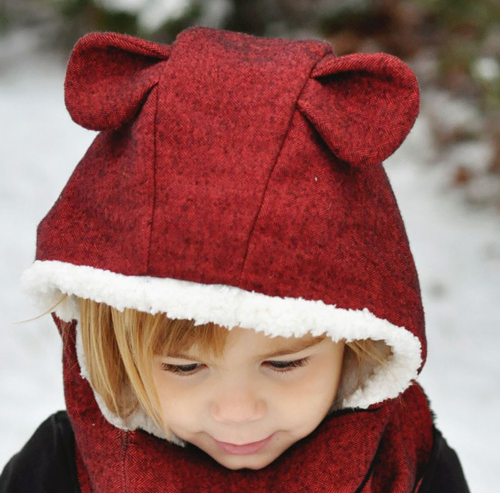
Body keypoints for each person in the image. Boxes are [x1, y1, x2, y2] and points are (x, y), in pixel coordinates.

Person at [1, 27, 470, 492]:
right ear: (114, 355)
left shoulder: (405, 463)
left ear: (356, 343)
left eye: (285, 365)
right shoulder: (61, 469)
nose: (238, 413)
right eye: (184, 367)